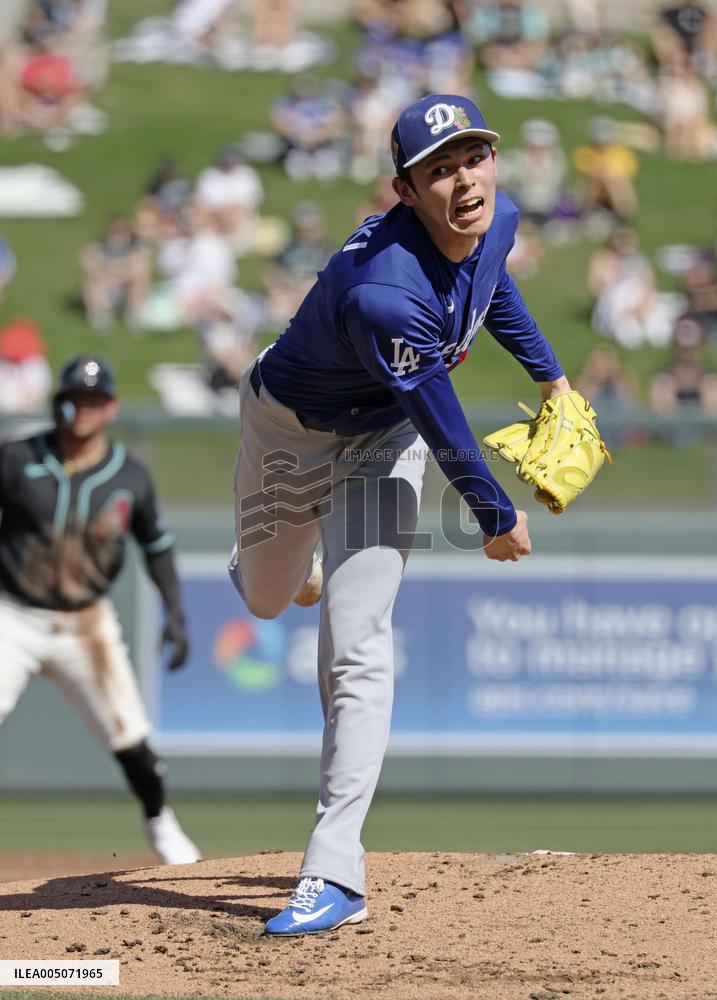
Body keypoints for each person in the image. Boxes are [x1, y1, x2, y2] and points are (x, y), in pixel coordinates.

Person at [229, 94, 571, 935]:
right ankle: (280, 562)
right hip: (289, 432)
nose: (464, 181)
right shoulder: (385, 290)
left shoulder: (497, 218)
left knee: (358, 642)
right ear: (405, 191)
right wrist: (494, 515)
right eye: (438, 170)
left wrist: (551, 379)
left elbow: (492, 286)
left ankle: (333, 874)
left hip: (381, 440)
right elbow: (440, 414)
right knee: (267, 598)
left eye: (474, 157)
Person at [0, 356, 200, 865]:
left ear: (110, 406)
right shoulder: (16, 457)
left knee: (131, 739)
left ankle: (160, 822)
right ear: (58, 402)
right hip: (12, 613)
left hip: (85, 623)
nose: (82, 407)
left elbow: (158, 548)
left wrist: (176, 615)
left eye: (93, 398)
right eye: (74, 397)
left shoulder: (129, 477)